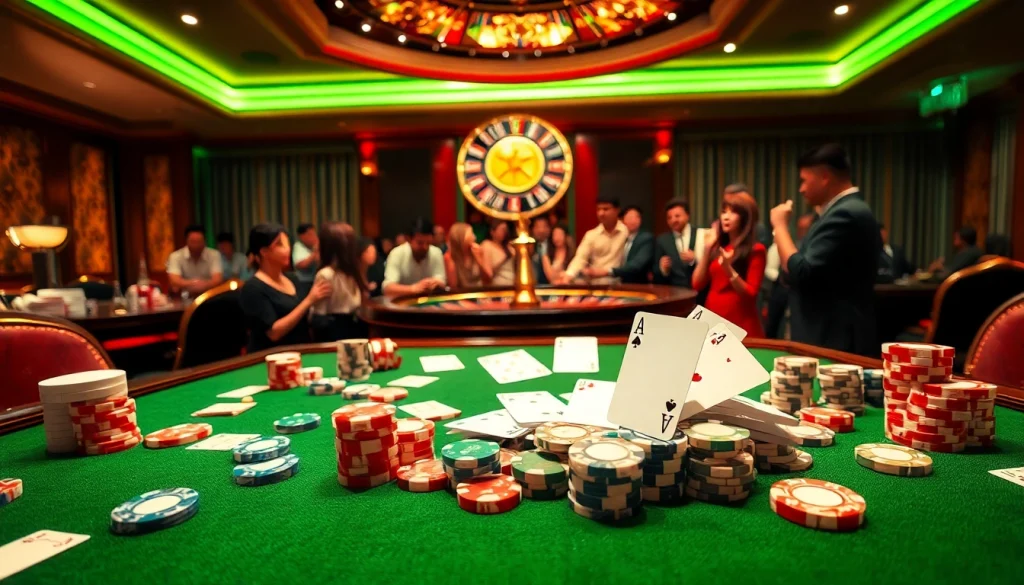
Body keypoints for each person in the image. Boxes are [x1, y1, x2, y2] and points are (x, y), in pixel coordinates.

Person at [770, 143, 881, 356]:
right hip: (829, 333)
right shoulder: (840, 211)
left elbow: (802, 271)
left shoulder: (845, 213)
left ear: (824, 177)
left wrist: (780, 226)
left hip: (834, 338)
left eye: (804, 180)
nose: (801, 189)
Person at [239, 224, 331, 352]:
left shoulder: (292, 278)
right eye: (280, 244)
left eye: (288, 244)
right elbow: (274, 332)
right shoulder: (253, 288)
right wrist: (309, 300)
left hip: (300, 351)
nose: (287, 249)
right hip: (271, 356)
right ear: (264, 251)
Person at [692, 191, 766, 337]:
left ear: (744, 218)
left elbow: (751, 294)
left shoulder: (756, 250)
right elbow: (697, 284)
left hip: (739, 320)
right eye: (724, 212)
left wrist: (728, 268)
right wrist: (707, 248)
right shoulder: (718, 248)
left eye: (733, 212)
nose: (726, 217)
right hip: (713, 316)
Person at [310, 222, 369, 341]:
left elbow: (319, 316)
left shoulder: (326, 274)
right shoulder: (352, 271)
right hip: (353, 330)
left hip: (334, 334)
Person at [763, 214, 813, 338]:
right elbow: (769, 269)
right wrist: (782, 278)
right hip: (780, 288)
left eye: (807, 228)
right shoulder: (782, 245)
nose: (803, 232)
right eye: (801, 228)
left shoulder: (808, 246)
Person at [559, 196, 628, 285]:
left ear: (617, 210)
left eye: (606, 209)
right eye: (598, 209)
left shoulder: (626, 232)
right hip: (596, 285)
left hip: (620, 285)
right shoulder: (591, 235)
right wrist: (568, 275)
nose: (601, 213)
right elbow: (580, 258)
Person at [382, 218, 446, 297]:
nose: (425, 247)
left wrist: (435, 283)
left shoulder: (436, 253)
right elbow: (387, 288)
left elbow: (442, 281)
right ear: (408, 239)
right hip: (402, 302)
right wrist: (413, 289)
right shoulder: (396, 254)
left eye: (428, 243)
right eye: (420, 243)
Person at [653, 198, 704, 288]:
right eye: (669, 218)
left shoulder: (701, 234)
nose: (673, 220)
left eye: (677, 216)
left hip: (699, 289)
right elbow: (656, 274)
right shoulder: (662, 240)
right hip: (675, 291)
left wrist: (695, 258)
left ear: (687, 215)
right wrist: (663, 269)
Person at [600, 206, 653, 284]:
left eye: (637, 217)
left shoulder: (646, 238)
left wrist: (609, 271)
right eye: (630, 217)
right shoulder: (618, 237)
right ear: (622, 220)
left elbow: (637, 265)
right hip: (614, 283)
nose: (633, 220)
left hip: (636, 284)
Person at [166, 225, 223, 296]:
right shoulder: (175, 256)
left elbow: (217, 280)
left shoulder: (214, 254)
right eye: (193, 242)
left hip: (209, 296)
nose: (196, 245)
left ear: (205, 241)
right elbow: (174, 280)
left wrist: (196, 285)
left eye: (199, 242)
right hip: (184, 296)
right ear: (186, 241)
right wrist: (196, 283)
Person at [445, 222, 491, 288]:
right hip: (462, 293)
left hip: (480, 291)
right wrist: (452, 262)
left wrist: (479, 259)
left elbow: (488, 280)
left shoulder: (478, 251)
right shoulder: (449, 257)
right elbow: (453, 285)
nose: (474, 237)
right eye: (471, 234)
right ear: (461, 237)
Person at [481, 219, 515, 286]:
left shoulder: (510, 246)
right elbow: (487, 273)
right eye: (501, 229)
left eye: (505, 230)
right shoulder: (487, 245)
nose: (504, 232)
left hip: (513, 284)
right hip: (497, 286)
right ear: (492, 232)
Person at [531, 216, 552, 285]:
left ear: (549, 228)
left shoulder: (554, 245)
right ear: (533, 229)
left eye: (544, 226)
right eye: (538, 227)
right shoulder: (530, 246)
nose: (541, 230)